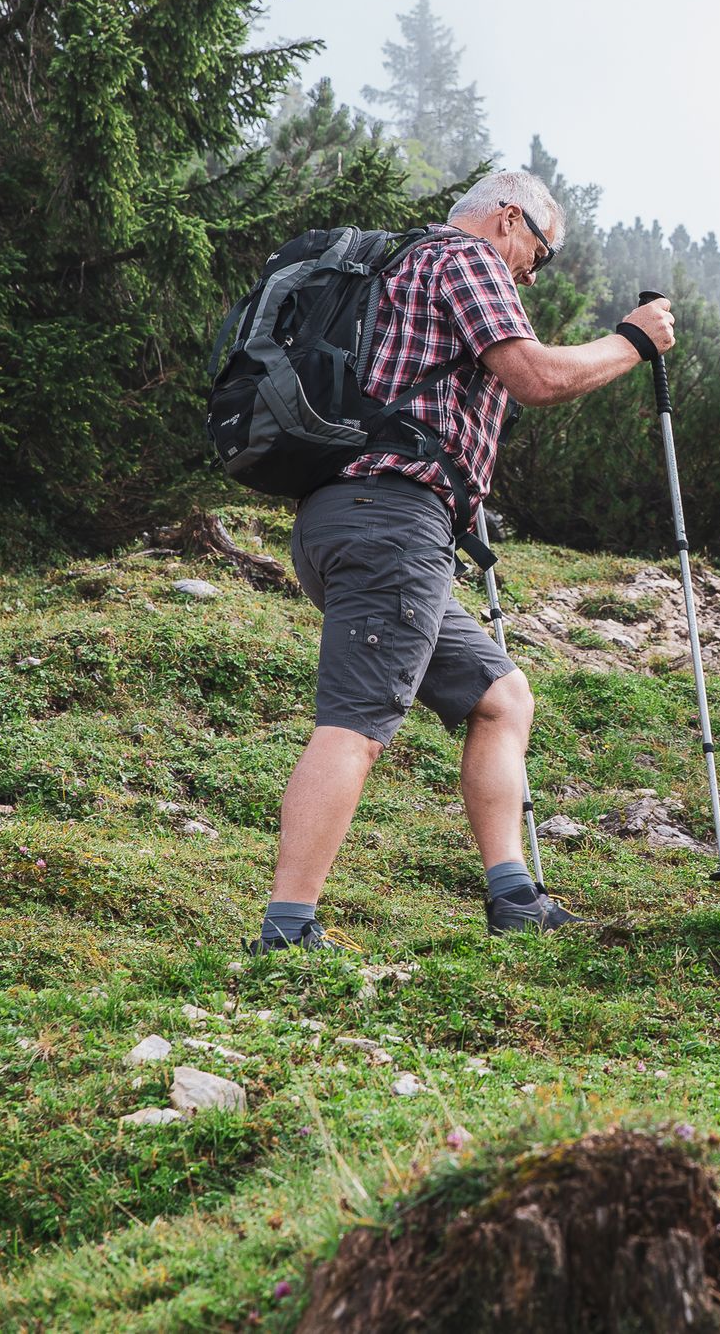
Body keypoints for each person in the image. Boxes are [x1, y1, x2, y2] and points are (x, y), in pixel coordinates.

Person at [252, 170, 677, 951]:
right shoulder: (466, 258)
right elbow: (536, 376)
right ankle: (287, 929)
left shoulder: (395, 268)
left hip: (347, 518)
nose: (530, 274)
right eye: (538, 256)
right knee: (355, 724)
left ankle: (513, 897)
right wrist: (632, 342)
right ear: (509, 219)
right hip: (390, 521)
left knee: (502, 697)